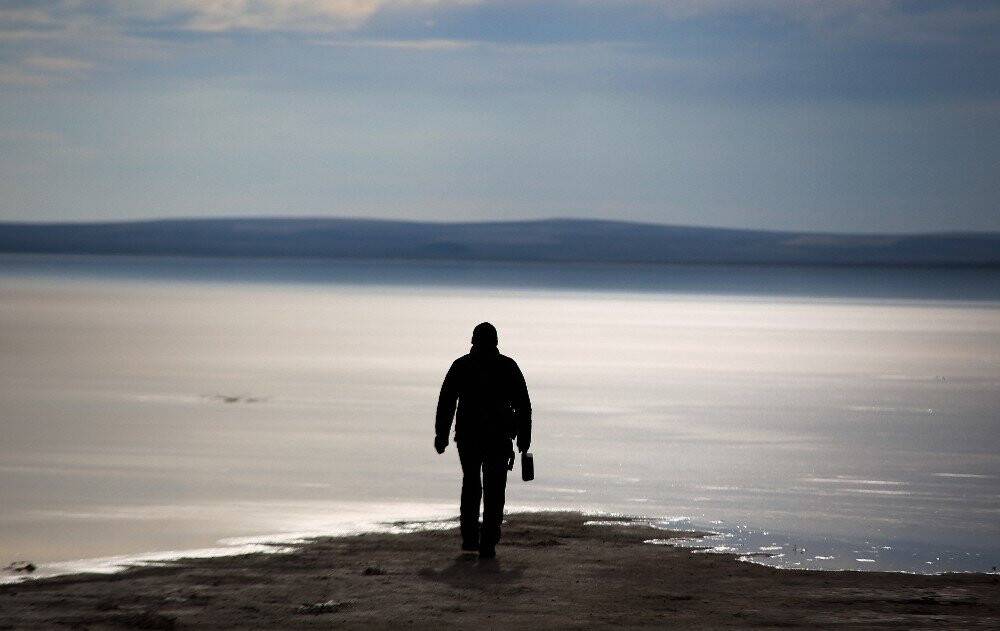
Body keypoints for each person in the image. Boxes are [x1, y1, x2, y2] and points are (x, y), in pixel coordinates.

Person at [434, 322, 532, 559]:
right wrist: (524, 439)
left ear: (473, 341)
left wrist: (442, 434)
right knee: (494, 488)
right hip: (497, 437)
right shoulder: (507, 366)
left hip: (470, 436)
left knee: (472, 484)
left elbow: (447, 401)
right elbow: (523, 405)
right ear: (496, 341)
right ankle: (487, 541)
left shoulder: (462, 365)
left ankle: (470, 538)